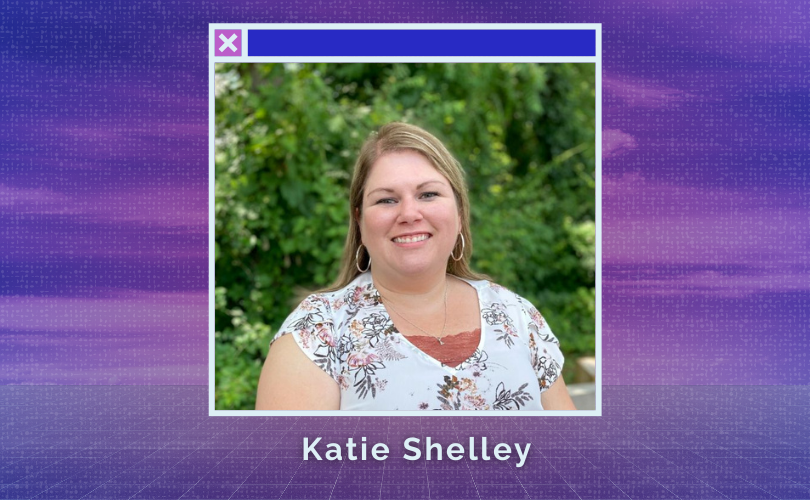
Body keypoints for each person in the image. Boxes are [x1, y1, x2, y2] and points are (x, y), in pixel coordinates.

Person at [256, 122, 576, 411]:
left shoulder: (517, 316)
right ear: (359, 220)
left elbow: (570, 457)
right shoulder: (318, 331)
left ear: (460, 212)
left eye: (428, 194)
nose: (409, 213)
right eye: (387, 200)